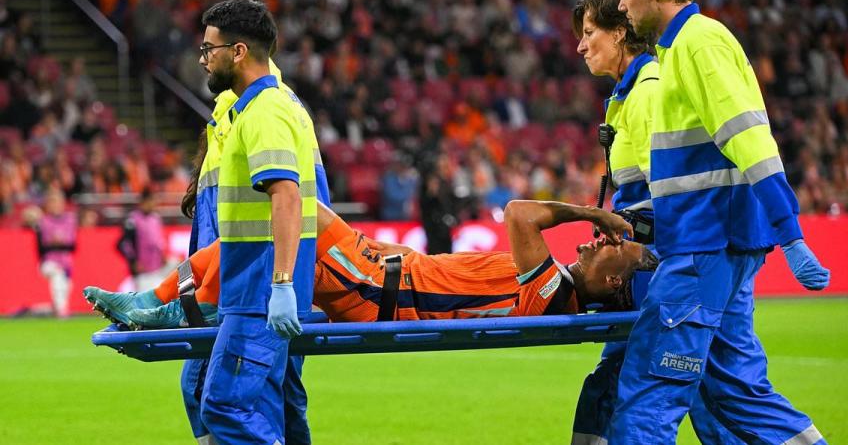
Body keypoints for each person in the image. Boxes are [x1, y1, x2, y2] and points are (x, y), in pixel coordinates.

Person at [610, 0, 830, 443]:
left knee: (648, 395)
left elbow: (748, 137)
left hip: (703, 247)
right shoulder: (680, 49)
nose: (620, 3)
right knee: (736, 395)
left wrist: (790, 232)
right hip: (714, 244)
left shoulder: (698, 43)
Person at [567, 0, 741, 444]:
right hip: (653, 268)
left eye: (589, 34)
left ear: (620, 32)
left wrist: (627, 235)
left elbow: (673, 198)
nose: (582, 47)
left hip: (665, 269)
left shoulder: (647, 92)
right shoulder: (627, 94)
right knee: (618, 386)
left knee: (701, 397)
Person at [87, 198, 645, 328]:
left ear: (614, 279)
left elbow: (520, 213)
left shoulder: (552, 292)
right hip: (383, 277)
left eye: (614, 243)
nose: (602, 235)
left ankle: (175, 306)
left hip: (381, 291)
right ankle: (158, 302)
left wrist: (593, 210)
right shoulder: (554, 286)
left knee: (295, 208)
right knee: (261, 227)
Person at [195, 0, 319, 444]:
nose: (204, 59)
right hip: (253, 291)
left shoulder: (265, 110)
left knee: (228, 404)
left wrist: (282, 285)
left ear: (239, 51)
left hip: (260, 293)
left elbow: (286, 196)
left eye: (210, 49)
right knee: (270, 411)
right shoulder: (262, 107)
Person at [25, 188, 77, 318]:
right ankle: (61, 313)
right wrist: (52, 244)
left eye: (58, 202)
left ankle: (44, 310)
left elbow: (73, 246)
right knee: (57, 274)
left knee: (64, 289)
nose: (55, 206)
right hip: (48, 262)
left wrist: (60, 243)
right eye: (52, 203)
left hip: (66, 262)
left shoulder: (70, 220)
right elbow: (40, 247)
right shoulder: (43, 221)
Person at [117, 188, 167, 292]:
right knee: (144, 303)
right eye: (152, 201)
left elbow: (158, 241)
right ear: (144, 201)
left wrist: (162, 256)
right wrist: (133, 262)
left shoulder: (156, 218)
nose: (154, 204)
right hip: (142, 270)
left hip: (156, 268)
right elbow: (124, 244)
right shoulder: (132, 219)